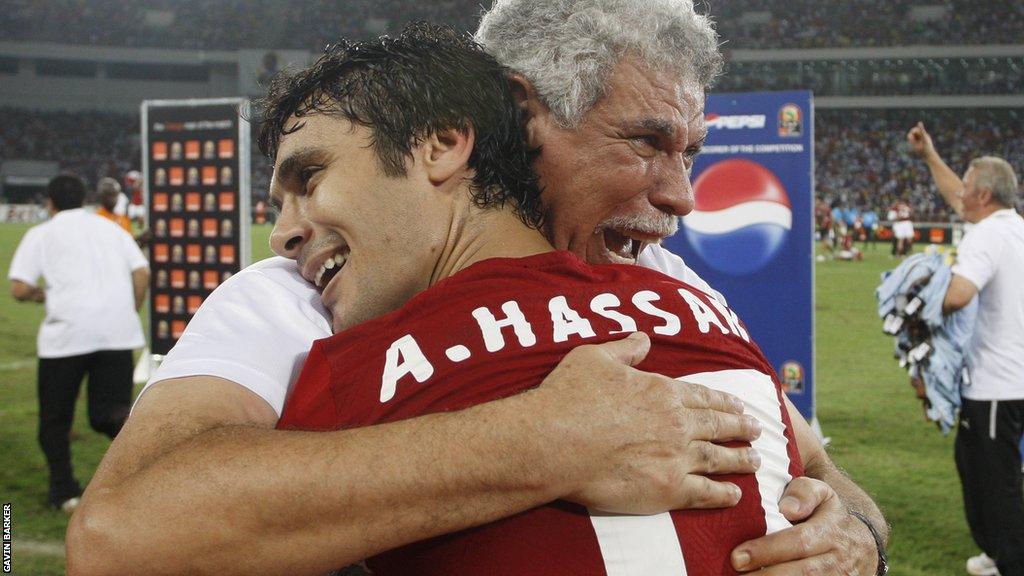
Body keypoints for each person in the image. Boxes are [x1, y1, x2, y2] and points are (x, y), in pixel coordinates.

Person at [68, 2, 885, 574]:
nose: (682, 196)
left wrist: (853, 538)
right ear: (520, 116)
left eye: (690, 153)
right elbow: (121, 535)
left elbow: (816, 467)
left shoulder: (669, 283)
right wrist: (541, 442)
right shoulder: (296, 296)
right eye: (646, 141)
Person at [269, 25, 803, 575]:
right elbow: (805, 475)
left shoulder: (357, 370)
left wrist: (857, 522)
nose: (281, 236)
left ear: (441, 146)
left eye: (309, 178)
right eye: (645, 142)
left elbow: (194, 531)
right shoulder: (708, 316)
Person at [908, 122, 1024, 576]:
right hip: (1008, 378)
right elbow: (957, 192)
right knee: (975, 466)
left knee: (995, 483)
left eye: (968, 189)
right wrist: (931, 156)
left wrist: (915, 298)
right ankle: (999, 550)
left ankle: (1011, 561)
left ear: (984, 196)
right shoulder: (1010, 226)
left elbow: (957, 296)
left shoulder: (985, 237)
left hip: (995, 383)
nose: (961, 196)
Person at [7, 174, 150, 514]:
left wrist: (43, 294)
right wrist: (129, 309)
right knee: (110, 416)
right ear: (85, 197)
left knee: (55, 422)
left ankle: (65, 492)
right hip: (117, 334)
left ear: (49, 202)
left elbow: (19, 288)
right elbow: (142, 272)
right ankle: (142, 478)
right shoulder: (111, 229)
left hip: (66, 338)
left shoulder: (41, 233)